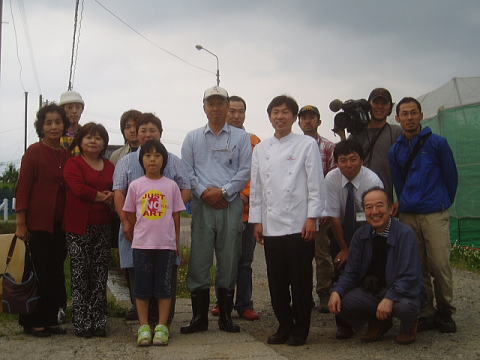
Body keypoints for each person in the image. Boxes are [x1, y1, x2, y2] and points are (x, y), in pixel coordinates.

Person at [250, 95, 325, 346]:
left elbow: (316, 183)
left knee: (300, 280)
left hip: (298, 223)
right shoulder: (261, 148)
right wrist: (257, 221)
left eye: (285, 112)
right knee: (277, 281)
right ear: (269, 117)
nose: (279, 116)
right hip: (271, 225)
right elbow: (257, 187)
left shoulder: (306, 145)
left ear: (293, 117)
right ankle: (283, 325)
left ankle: (300, 329)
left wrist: (312, 217)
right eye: (275, 112)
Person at [181, 86, 251, 334]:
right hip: (201, 205)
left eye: (221, 103)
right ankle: (199, 318)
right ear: (204, 107)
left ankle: (225, 318)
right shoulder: (192, 138)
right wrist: (204, 192)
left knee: (230, 259)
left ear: (226, 106)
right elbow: (187, 172)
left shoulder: (242, 138)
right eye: (211, 104)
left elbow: (245, 171)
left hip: (230, 204)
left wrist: (222, 192)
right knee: (199, 260)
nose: (216, 108)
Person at [389, 97, 458, 333]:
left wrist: (443, 201)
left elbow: (451, 178)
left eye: (413, 113)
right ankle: (426, 310)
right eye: (404, 114)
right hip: (408, 214)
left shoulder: (438, 143)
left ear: (421, 115)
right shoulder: (395, 150)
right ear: (397, 118)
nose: (409, 118)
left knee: (439, 264)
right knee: (417, 265)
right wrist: (404, 202)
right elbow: (398, 182)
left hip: (434, 212)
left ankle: (446, 310)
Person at [114, 113, 191, 323]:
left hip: (164, 231)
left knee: (165, 276)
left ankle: (162, 322)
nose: (148, 134)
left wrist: (172, 208)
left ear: (160, 133)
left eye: (153, 130)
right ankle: (143, 321)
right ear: (136, 134)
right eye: (143, 130)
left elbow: (185, 188)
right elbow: (119, 192)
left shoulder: (173, 161)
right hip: (135, 229)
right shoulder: (126, 162)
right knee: (137, 272)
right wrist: (126, 220)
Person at [328, 187, 423, 345]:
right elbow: (351, 272)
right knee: (343, 302)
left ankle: (409, 326)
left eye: (380, 205)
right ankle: (379, 321)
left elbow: (410, 276)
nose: (374, 211)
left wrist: (390, 297)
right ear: (364, 211)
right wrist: (337, 291)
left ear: (391, 208)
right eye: (369, 207)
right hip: (374, 290)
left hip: (403, 292)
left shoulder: (405, 234)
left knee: (405, 307)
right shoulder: (361, 235)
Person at [123, 140, 186, 346]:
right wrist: (137, 235)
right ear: (142, 160)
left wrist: (177, 243)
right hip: (142, 246)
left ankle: (161, 327)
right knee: (141, 288)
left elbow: (176, 218)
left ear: (164, 160)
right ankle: (143, 327)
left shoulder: (171, 186)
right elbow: (130, 215)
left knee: (164, 288)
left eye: (157, 155)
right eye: (148, 155)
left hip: (166, 247)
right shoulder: (136, 185)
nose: (152, 159)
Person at [15, 104, 70, 337]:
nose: (54, 126)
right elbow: (23, 187)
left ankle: (50, 319)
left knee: (56, 272)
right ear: (41, 126)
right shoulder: (34, 151)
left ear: (64, 126)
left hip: (61, 224)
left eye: (58, 122)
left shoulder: (67, 154)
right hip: (37, 223)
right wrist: (20, 223)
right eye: (49, 122)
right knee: (38, 272)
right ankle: (32, 321)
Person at [211, 95, 261, 321]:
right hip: (221, 209)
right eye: (232, 110)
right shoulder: (213, 139)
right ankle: (223, 303)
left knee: (244, 261)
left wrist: (244, 194)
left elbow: (258, 173)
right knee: (223, 259)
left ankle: (244, 304)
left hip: (246, 213)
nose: (236, 115)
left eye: (241, 111)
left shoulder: (254, 141)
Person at [63, 122, 115, 338]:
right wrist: (101, 196)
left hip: (103, 226)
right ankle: (82, 322)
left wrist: (112, 196)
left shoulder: (110, 166)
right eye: (88, 137)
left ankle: (99, 321)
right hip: (78, 227)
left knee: (100, 274)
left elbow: (117, 188)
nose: (93, 141)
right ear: (81, 141)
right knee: (80, 274)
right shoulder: (73, 164)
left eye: (98, 138)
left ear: (104, 143)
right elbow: (77, 188)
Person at [298, 104, 336, 312]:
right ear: (299, 122)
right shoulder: (293, 146)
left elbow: (331, 181)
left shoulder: (329, 147)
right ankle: (303, 294)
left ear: (319, 122)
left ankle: (324, 292)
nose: (308, 121)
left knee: (322, 254)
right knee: (300, 254)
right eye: (304, 118)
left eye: (312, 118)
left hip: (320, 210)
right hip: (297, 210)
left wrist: (327, 209)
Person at [337, 88, 402, 208]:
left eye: (384, 104)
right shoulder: (357, 133)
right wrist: (342, 136)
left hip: (384, 198)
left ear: (390, 108)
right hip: (358, 198)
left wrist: (400, 199)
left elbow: (405, 168)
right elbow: (345, 157)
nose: (380, 107)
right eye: (376, 103)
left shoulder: (396, 132)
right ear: (368, 105)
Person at [324, 140, 383, 271]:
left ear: (362, 161)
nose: (348, 165)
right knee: (341, 266)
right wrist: (345, 249)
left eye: (353, 159)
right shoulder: (331, 179)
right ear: (337, 163)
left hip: (369, 227)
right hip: (342, 228)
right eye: (343, 160)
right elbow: (334, 216)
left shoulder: (372, 181)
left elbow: (378, 218)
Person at [59, 90, 85, 154]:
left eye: (78, 107)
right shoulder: (55, 135)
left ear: (82, 110)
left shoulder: (86, 134)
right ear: (62, 110)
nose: (74, 111)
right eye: (70, 107)